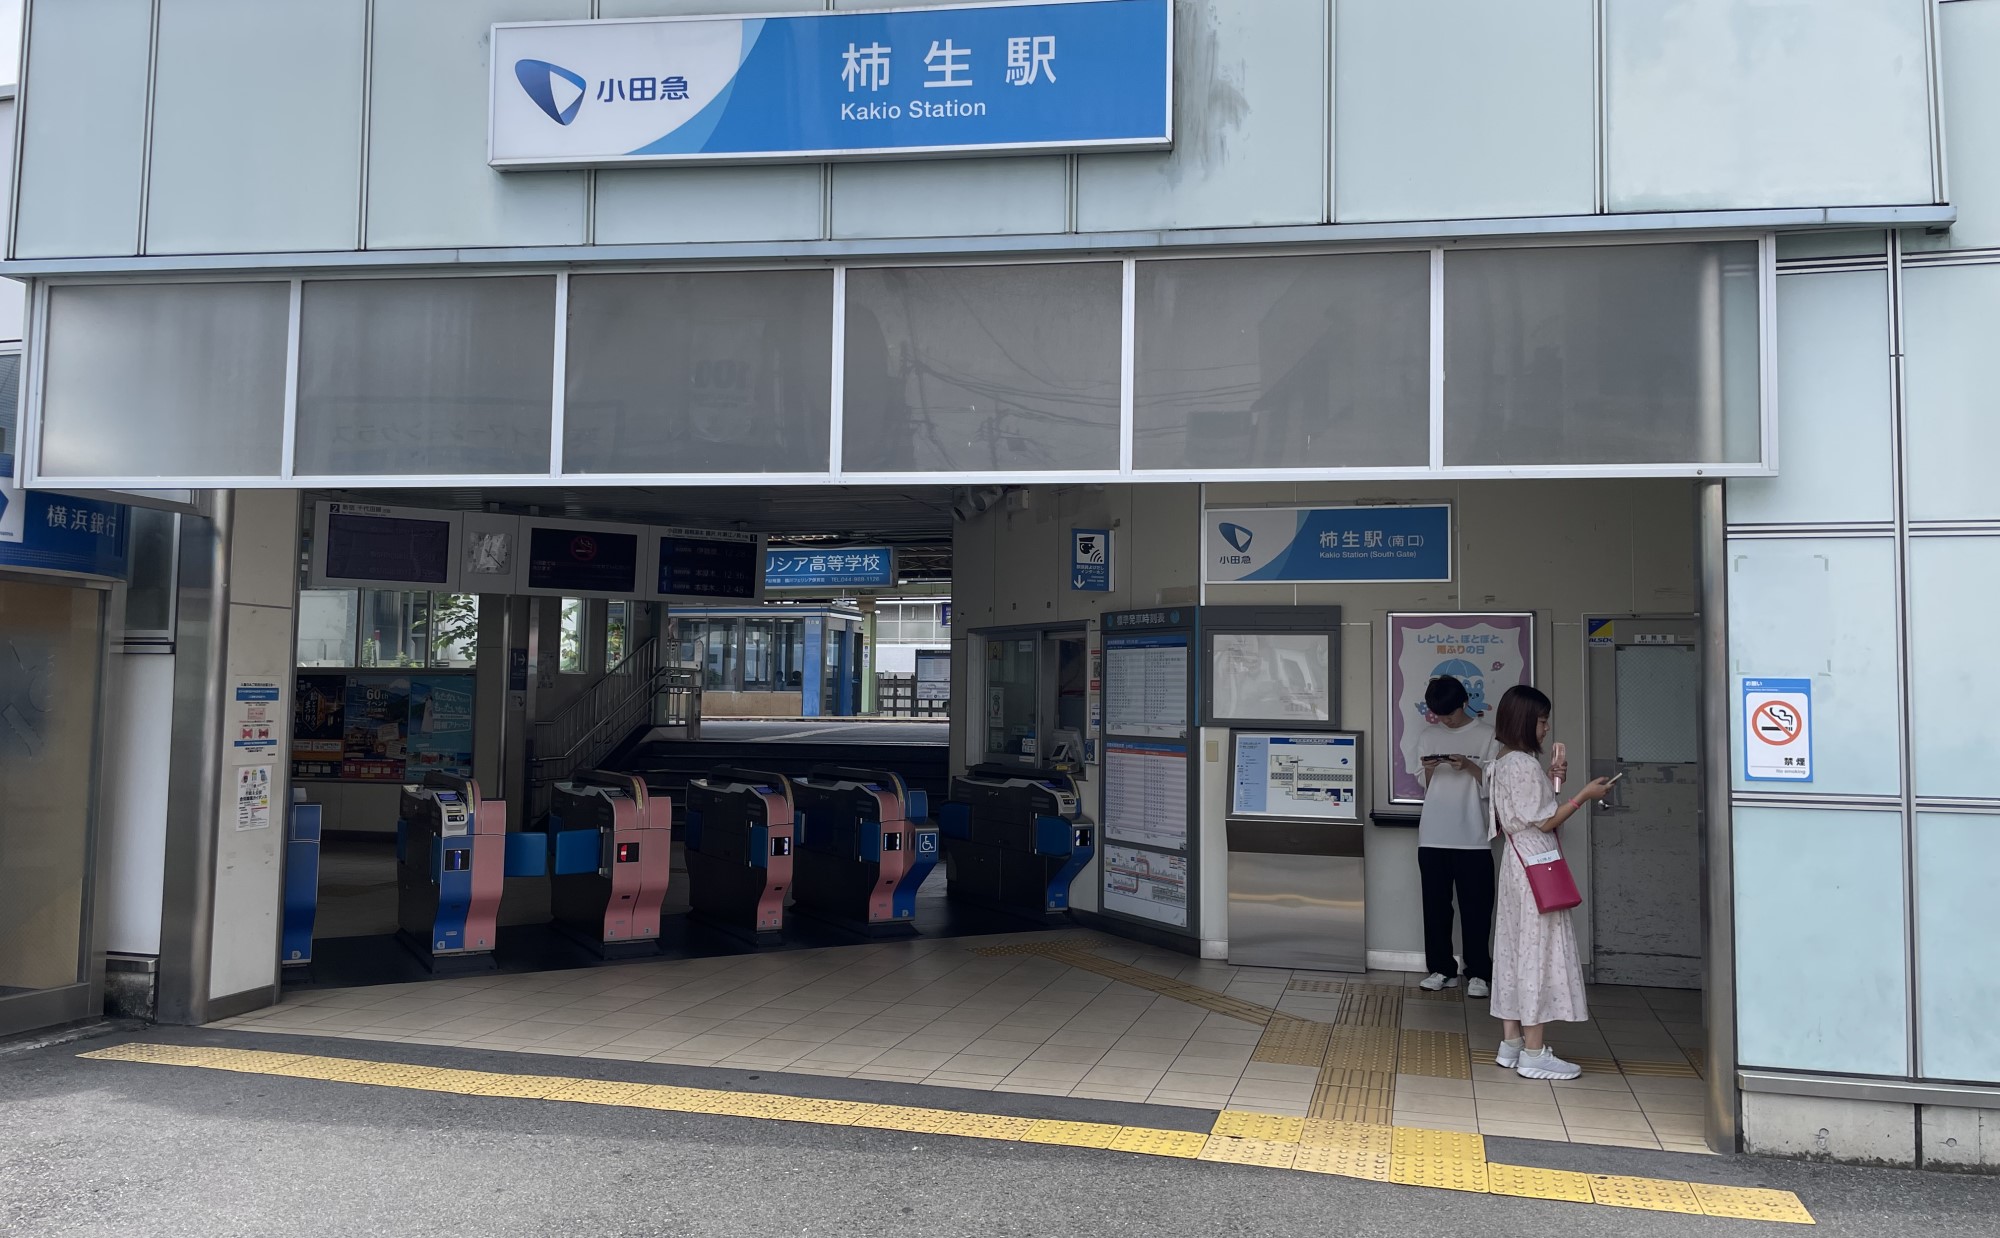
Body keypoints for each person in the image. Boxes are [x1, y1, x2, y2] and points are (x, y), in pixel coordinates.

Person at [1486, 684, 1613, 1081]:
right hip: (1536, 865)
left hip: (1515, 864)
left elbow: (1525, 811)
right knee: (1536, 951)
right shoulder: (1522, 765)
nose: (1545, 729)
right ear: (1525, 721)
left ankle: (1511, 1043)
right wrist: (1584, 796)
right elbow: (1543, 820)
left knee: (1512, 949)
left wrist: (1552, 781)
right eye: (1541, 721)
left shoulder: (1504, 761)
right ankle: (1535, 1051)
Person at [1414, 675, 1501, 997]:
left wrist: (1469, 766)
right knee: (1435, 907)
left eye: (1449, 714)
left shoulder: (1488, 734)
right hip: (1433, 834)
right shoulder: (1428, 734)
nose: (1445, 720)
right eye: (1439, 715)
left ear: (1465, 703)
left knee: (1476, 908)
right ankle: (1440, 969)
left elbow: (1495, 787)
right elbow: (1425, 785)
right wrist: (1432, 767)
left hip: (1473, 836)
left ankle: (1479, 972)